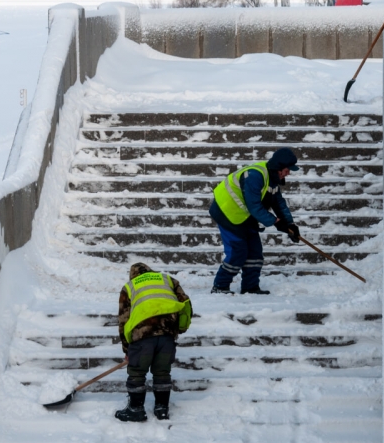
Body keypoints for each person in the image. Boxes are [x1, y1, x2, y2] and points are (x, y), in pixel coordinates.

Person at [210, 147, 301, 295]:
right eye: (287, 169)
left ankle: (250, 287)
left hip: (246, 216)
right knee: (238, 252)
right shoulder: (254, 175)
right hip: (227, 213)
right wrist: (276, 222)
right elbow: (254, 206)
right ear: (279, 168)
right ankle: (220, 286)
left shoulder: (272, 179)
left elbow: (278, 203)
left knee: (255, 252)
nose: (289, 173)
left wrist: (290, 224)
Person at [116, 262, 192, 422]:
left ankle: (136, 409)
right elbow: (185, 303)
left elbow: (124, 320)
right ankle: (162, 409)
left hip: (142, 333)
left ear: (133, 275)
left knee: (137, 372)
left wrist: (127, 349)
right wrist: (179, 328)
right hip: (167, 333)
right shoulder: (168, 280)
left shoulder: (130, 286)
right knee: (162, 372)